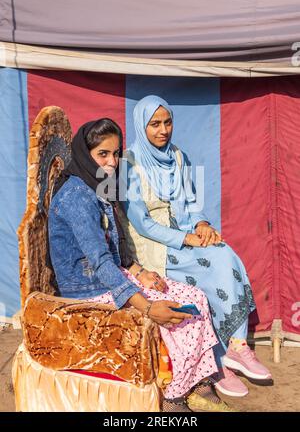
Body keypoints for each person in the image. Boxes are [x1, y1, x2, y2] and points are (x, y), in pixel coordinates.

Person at [48, 118, 232, 412]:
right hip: (87, 288)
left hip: (110, 275)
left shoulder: (98, 183)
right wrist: (146, 306)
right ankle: (174, 396)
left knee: (195, 297)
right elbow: (99, 261)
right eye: (103, 154)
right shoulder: (76, 196)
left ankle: (199, 383)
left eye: (116, 153)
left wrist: (140, 272)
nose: (111, 161)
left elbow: (112, 246)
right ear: (85, 154)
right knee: (171, 310)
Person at [119, 95, 272, 398]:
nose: (163, 130)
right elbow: (140, 223)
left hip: (185, 231)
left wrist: (201, 225)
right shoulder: (129, 164)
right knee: (209, 273)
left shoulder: (177, 156)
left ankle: (237, 347)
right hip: (155, 244)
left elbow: (191, 202)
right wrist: (185, 239)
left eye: (167, 122)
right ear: (142, 126)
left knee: (225, 253)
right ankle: (218, 363)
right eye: (155, 124)